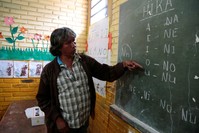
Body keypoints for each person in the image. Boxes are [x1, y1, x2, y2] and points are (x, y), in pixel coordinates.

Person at [36, 27, 143, 133]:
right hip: (62, 128)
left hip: (83, 123)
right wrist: (57, 119)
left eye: (74, 41)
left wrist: (123, 65)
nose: (74, 45)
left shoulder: (85, 61)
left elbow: (106, 73)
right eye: (68, 43)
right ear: (58, 47)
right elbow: (43, 99)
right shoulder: (49, 71)